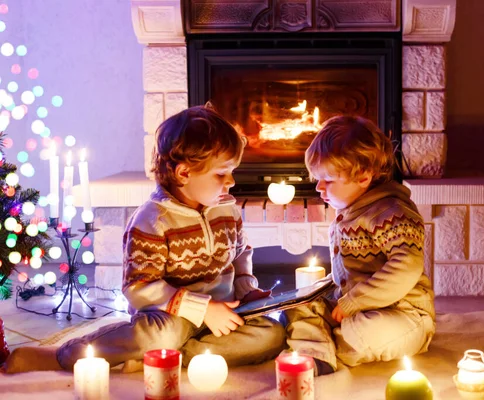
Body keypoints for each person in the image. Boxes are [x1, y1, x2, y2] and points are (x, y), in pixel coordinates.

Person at [5, 106, 286, 373]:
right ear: (184, 173)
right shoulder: (152, 221)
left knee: (272, 334)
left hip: (225, 313)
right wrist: (201, 310)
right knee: (158, 337)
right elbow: (138, 287)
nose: (231, 182)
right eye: (222, 173)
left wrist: (247, 290)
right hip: (170, 317)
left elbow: (240, 256)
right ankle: (66, 354)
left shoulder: (227, 209)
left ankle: (171, 357)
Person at [284, 115, 435, 376]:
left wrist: (354, 302)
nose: (319, 188)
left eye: (328, 180)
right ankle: (318, 352)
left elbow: (407, 266)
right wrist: (318, 294)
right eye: (317, 179)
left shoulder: (393, 213)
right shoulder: (350, 211)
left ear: (363, 177)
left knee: (364, 333)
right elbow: (350, 272)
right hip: (353, 307)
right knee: (299, 304)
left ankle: (325, 343)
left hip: (403, 315)